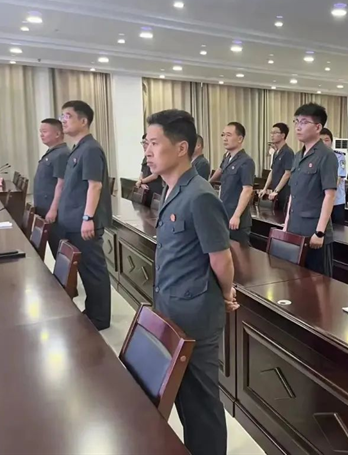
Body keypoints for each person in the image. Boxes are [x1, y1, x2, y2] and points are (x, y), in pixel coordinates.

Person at [144, 109, 238, 455]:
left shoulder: (200, 195)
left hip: (196, 312)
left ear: (181, 147)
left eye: (155, 143)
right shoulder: (171, 189)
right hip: (171, 305)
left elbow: (221, 258)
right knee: (184, 396)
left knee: (201, 401)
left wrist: (226, 294)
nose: (148, 151)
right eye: (146, 143)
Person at [58, 100, 112, 330]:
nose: (63, 120)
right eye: (62, 116)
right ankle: (92, 311)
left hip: (84, 223)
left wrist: (88, 218)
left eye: (68, 116)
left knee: (93, 270)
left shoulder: (90, 149)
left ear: (83, 120)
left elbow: (95, 185)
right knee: (86, 270)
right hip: (74, 222)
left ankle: (99, 318)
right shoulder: (78, 149)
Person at [284, 103, 338, 276]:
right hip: (295, 229)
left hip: (314, 232)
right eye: (296, 121)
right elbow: (293, 194)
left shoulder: (326, 155)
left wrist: (319, 232)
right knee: (294, 280)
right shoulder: (298, 156)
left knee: (318, 284)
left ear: (318, 127)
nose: (298, 127)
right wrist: (286, 225)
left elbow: (329, 195)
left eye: (304, 122)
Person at [209, 123, 255, 246]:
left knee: (241, 253)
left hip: (236, 218)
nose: (224, 138)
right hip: (225, 213)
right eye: (223, 135)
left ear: (240, 139)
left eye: (229, 135)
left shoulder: (246, 161)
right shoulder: (227, 157)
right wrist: (207, 182)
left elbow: (247, 189)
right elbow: (220, 170)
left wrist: (236, 216)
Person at [33, 118, 70, 257]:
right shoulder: (52, 152)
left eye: (44, 131)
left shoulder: (62, 154)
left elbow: (61, 184)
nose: (41, 135)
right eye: (40, 132)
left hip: (54, 212)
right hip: (45, 209)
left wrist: (53, 209)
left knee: (60, 251)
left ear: (58, 134)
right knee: (55, 248)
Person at [260, 122, 294, 211]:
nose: (272, 135)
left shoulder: (288, 152)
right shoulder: (276, 152)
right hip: (275, 191)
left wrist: (276, 191)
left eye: (275, 133)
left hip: (284, 192)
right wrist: (265, 188)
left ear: (283, 135)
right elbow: (272, 171)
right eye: (271, 133)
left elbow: (287, 173)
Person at [320, 128, 347, 224]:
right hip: (320, 200)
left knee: (338, 228)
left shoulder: (339, 156)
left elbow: (338, 179)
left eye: (326, 140)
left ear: (331, 142)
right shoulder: (315, 157)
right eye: (321, 140)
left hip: (336, 200)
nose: (324, 143)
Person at [136, 133, 163, 205]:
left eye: (145, 143)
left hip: (155, 189)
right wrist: (140, 181)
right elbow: (142, 172)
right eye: (143, 143)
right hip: (146, 190)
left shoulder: (157, 156)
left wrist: (141, 182)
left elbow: (155, 175)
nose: (144, 145)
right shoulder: (145, 157)